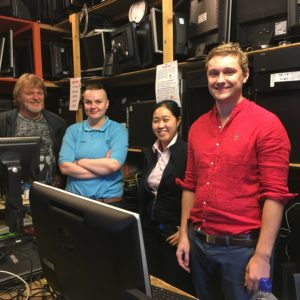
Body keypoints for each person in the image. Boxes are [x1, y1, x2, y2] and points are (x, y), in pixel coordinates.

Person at [176, 43, 296, 300]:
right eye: (213, 73)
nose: (220, 80)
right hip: (199, 244)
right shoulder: (197, 127)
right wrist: (184, 235)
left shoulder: (267, 125)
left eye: (229, 72)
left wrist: (262, 257)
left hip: (242, 251)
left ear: (245, 75)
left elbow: (274, 196)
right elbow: (190, 184)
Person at [138, 100, 195, 295]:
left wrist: (186, 230)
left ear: (178, 121)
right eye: (155, 120)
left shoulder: (188, 152)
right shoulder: (150, 152)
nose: (160, 125)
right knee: (152, 284)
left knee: (175, 288)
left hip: (174, 233)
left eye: (165, 119)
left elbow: (197, 193)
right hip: (150, 231)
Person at [59, 83, 128, 207]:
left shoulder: (118, 130)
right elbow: (65, 168)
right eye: (88, 102)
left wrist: (80, 161)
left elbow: (113, 165)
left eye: (98, 102)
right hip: (75, 202)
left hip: (108, 204)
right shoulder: (73, 130)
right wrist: (103, 169)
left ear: (106, 104)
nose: (93, 106)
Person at [0, 73, 67, 187]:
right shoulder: (3, 122)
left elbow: (64, 156)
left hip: (50, 191)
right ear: (18, 97)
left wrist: (60, 176)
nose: (36, 97)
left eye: (39, 93)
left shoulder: (58, 123)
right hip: (15, 192)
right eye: (30, 93)